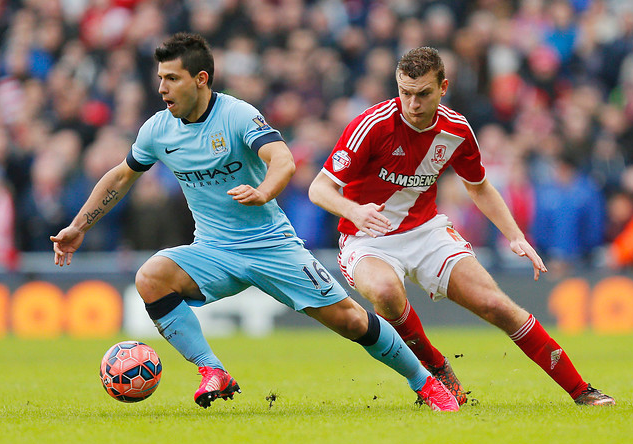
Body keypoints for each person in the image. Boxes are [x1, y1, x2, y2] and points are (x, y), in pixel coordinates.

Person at [50, 33, 459, 411]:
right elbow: (122, 176)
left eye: (172, 78)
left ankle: (425, 382)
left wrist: (264, 191)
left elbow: (282, 158)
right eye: (160, 78)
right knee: (151, 277)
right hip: (213, 249)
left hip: (270, 245)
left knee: (352, 320)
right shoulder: (158, 129)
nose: (162, 88)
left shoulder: (238, 116)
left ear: (201, 79)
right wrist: (79, 226)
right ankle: (213, 370)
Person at [308, 46, 615, 406]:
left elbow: (478, 185)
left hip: (425, 232)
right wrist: (355, 211)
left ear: (443, 87)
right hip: (367, 237)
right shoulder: (371, 125)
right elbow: (319, 188)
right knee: (386, 293)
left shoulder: (456, 129)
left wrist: (515, 236)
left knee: (496, 306)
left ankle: (582, 391)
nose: (412, 103)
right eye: (405, 93)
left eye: (423, 94)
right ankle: (436, 368)